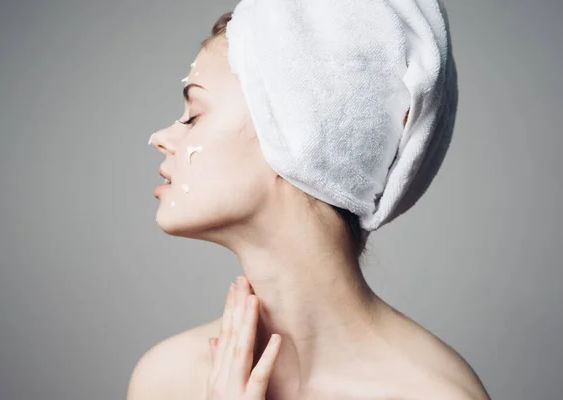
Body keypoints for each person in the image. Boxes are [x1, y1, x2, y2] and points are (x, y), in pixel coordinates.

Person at [127, 10, 491, 400]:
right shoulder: (169, 379)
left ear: (297, 138)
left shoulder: (433, 394)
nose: (161, 138)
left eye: (194, 114)